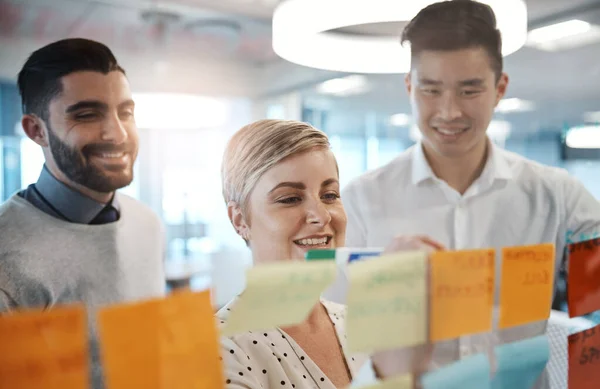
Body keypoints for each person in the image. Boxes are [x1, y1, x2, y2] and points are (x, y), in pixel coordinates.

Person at [338, 0, 600, 387]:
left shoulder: (556, 196)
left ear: (500, 88)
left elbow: (594, 301)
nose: (449, 111)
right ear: (410, 87)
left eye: (469, 90)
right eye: (430, 90)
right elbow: (345, 338)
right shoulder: (361, 201)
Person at [0, 38, 166, 389]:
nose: (118, 134)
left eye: (126, 112)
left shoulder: (147, 223)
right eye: (87, 115)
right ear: (37, 130)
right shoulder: (5, 252)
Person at [218, 119, 374, 388]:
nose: (321, 215)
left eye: (329, 195)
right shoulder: (217, 347)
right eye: (290, 198)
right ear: (240, 220)